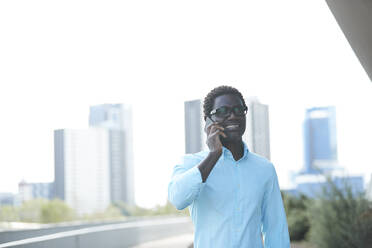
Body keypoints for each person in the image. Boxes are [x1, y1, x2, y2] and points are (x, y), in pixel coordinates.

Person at [168, 86, 290, 247]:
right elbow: (178, 199)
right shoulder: (190, 163)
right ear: (208, 120)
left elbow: (276, 229)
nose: (233, 116)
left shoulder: (265, 169)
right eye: (223, 111)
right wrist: (214, 155)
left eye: (239, 110)